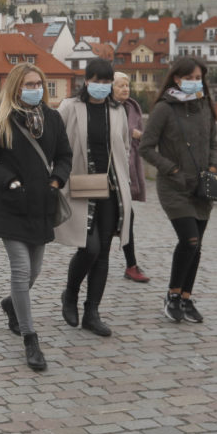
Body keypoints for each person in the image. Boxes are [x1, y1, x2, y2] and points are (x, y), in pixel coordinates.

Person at [0, 62, 72, 371]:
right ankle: (31, 338)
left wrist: (57, 179)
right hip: (12, 204)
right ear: (16, 87)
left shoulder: (52, 118)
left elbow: (65, 156)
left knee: (35, 270)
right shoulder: (0, 118)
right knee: (20, 270)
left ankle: (11, 304)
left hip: (42, 204)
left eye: (39, 84)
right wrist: (9, 181)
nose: (36, 89)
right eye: (30, 85)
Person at [139, 56, 217, 324]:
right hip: (174, 186)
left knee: (197, 246)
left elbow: (213, 142)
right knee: (189, 240)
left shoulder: (204, 106)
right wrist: (171, 169)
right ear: (176, 78)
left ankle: (186, 298)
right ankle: (172, 296)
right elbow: (146, 147)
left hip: (201, 186)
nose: (195, 83)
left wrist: (215, 167)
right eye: (190, 78)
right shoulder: (164, 108)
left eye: (198, 79)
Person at [56, 58, 131, 337]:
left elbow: (124, 146)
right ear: (86, 81)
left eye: (106, 81)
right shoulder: (70, 107)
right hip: (80, 184)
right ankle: (70, 294)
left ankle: (92, 312)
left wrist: (125, 179)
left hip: (110, 188)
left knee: (103, 253)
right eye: (96, 80)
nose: (101, 86)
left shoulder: (117, 110)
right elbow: (57, 143)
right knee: (89, 247)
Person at [113, 72, 149, 283]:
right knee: (119, 218)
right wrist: (130, 133)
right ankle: (129, 265)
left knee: (127, 216)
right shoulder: (106, 108)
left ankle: (131, 265)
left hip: (128, 168)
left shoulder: (132, 107)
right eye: (121, 86)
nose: (126, 89)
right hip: (110, 171)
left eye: (127, 85)